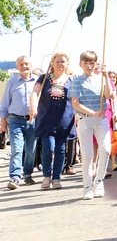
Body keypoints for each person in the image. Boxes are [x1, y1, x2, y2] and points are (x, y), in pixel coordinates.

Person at [68, 51, 112, 200]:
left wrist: (106, 76)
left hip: (101, 119)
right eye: (86, 62)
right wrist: (93, 112)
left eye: (92, 62)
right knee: (87, 155)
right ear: (80, 64)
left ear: (96, 64)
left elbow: (108, 95)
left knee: (105, 150)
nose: (89, 65)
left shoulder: (101, 79)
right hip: (85, 119)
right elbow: (75, 103)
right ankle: (87, 186)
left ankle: (99, 181)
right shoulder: (77, 80)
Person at [30, 52, 75, 190]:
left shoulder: (71, 80)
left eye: (63, 62)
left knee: (61, 149)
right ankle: (46, 176)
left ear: (67, 64)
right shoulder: (44, 78)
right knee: (48, 148)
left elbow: (76, 99)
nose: (60, 64)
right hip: (46, 118)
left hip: (65, 120)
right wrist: (33, 107)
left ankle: (56, 178)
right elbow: (35, 93)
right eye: (58, 61)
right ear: (52, 63)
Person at [0, 56, 38, 189]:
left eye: (27, 64)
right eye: (21, 64)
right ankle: (15, 177)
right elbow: (5, 103)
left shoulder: (38, 83)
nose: (24, 66)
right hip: (15, 120)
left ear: (31, 66)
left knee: (31, 150)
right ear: (17, 67)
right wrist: (3, 121)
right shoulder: (12, 82)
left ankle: (28, 174)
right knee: (17, 148)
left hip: (33, 121)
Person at [107, 70, 117, 171]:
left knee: (115, 141)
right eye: (110, 77)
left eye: (114, 77)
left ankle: (114, 162)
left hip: (116, 118)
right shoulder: (106, 89)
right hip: (106, 117)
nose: (112, 79)